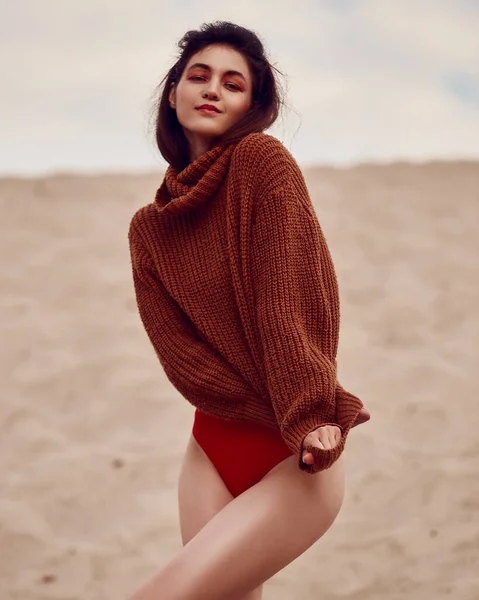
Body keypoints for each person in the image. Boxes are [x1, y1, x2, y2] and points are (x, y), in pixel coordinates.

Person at [127, 20, 370, 600]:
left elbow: (292, 300)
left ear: (252, 105)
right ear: (174, 91)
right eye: (199, 76)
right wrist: (238, 400)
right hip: (211, 444)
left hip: (300, 446)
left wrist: (308, 415)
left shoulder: (263, 164)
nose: (212, 89)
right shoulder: (148, 229)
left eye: (233, 84)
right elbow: (179, 354)